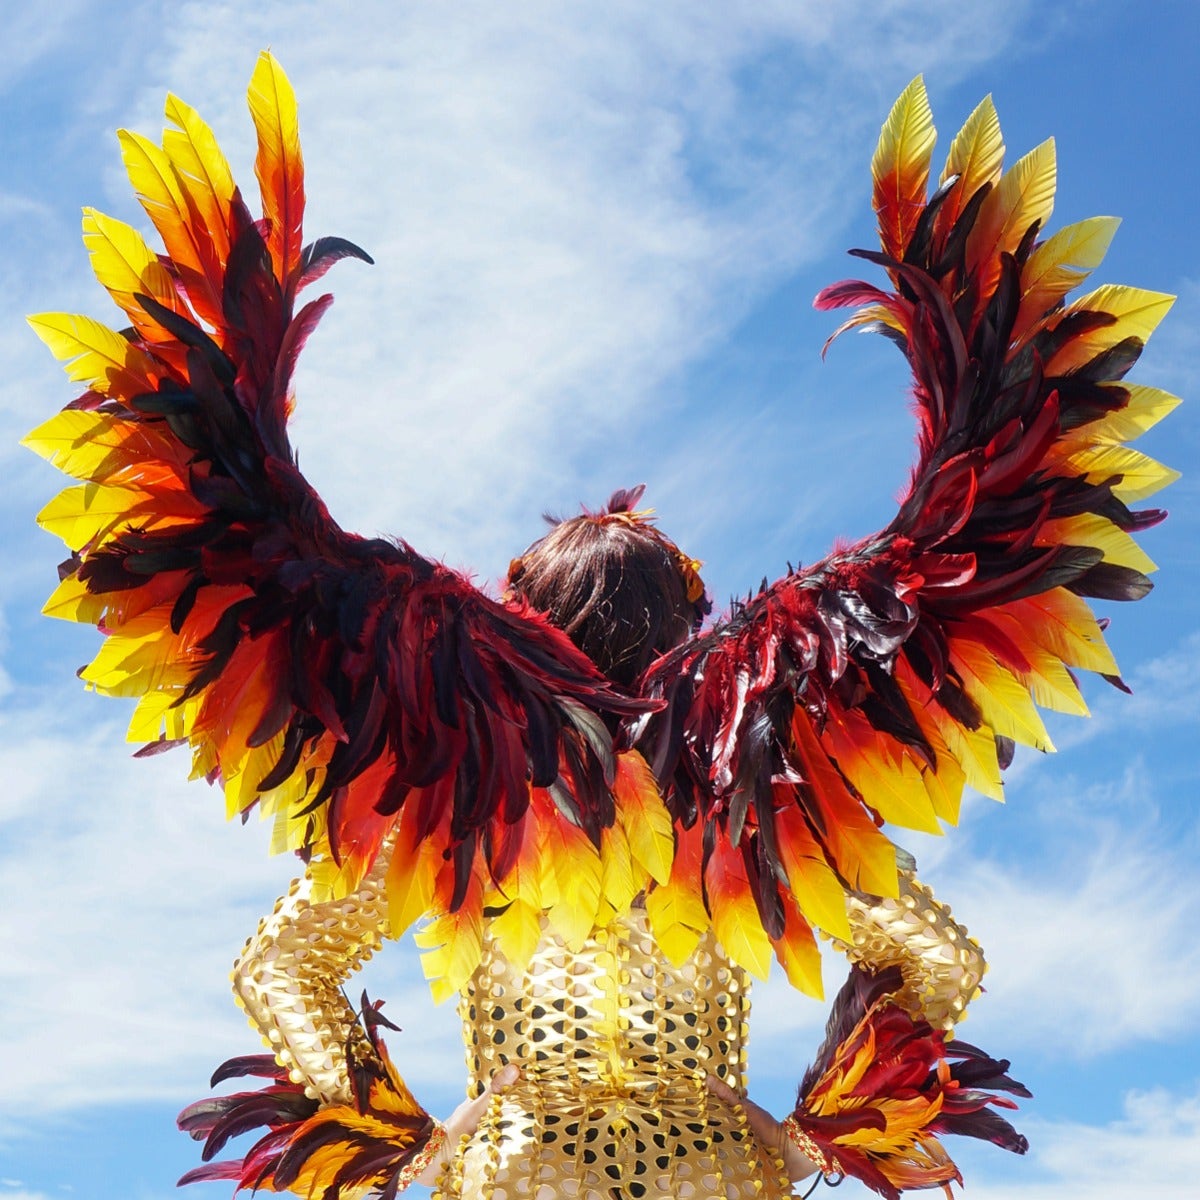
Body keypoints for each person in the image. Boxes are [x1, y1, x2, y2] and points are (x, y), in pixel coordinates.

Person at [28, 54, 1175, 1200]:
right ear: (689, 615)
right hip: (721, 1172)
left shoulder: (450, 790)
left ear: (530, 616)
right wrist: (817, 1135)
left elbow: (282, 969)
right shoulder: (763, 791)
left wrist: (412, 1147)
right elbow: (940, 960)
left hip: (511, 1172)